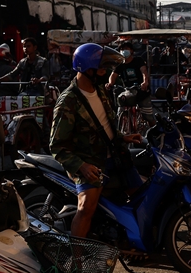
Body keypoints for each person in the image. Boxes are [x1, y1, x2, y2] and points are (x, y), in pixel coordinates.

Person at [50, 43, 143, 238]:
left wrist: (123, 137)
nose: (105, 72)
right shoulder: (68, 101)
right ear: (87, 69)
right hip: (89, 161)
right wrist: (81, 166)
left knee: (140, 196)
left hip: (116, 155)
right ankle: (76, 259)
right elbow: (57, 146)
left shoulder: (101, 90)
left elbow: (104, 126)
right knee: (85, 209)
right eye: (102, 68)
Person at [106, 44, 155, 125]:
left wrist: (145, 82)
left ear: (131, 50)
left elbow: (144, 72)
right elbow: (113, 75)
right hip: (127, 91)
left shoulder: (138, 60)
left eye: (126, 48)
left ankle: (155, 133)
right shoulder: (119, 64)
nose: (123, 50)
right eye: (121, 49)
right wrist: (110, 83)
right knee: (120, 110)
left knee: (148, 116)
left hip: (141, 90)